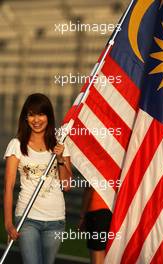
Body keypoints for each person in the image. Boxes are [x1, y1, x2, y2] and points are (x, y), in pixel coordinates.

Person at [3, 93, 72, 264]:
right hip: (27, 219)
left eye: (41, 114)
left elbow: (67, 185)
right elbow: (8, 186)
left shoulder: (60, 144)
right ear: (25, 118)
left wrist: (61, 159)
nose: (36, 119)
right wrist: (8, 224)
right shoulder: (17, 145)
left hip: (55, 219)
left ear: (48, 116)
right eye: (31, 114)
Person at [79, 186, 112, 264]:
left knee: (97, 258)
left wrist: (82, 215)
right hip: (113, 212)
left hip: (97, 211)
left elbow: (89, 188)